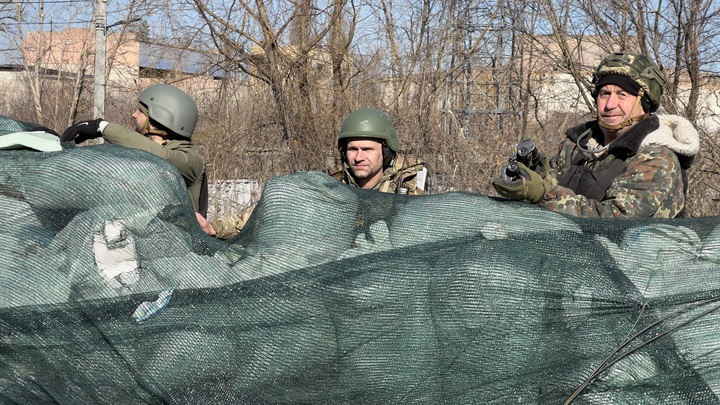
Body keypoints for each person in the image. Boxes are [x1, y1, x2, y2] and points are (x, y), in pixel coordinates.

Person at [492, 51, 699, 218]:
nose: (610, 104)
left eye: (622, 95)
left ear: (643, 105)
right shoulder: (578, 145)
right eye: (604, 93)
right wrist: (534, 178)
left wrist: (540, 193)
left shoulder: (657, 157)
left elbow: (617, 218)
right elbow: (549, 188)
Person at [197, 107, 431, 239]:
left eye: (367, 149)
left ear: (387, 152)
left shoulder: (410, 191)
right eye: (352, 149)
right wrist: (215, 228)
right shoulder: (331, 187)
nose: (359, 157)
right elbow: (274, 212)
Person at [61, 83, 208, 216]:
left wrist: (103, 127)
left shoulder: (193, 160)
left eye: (140, 110)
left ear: (159, 118)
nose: (133, 114)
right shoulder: (141, 150)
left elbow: (163, 157)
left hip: (178, 243)